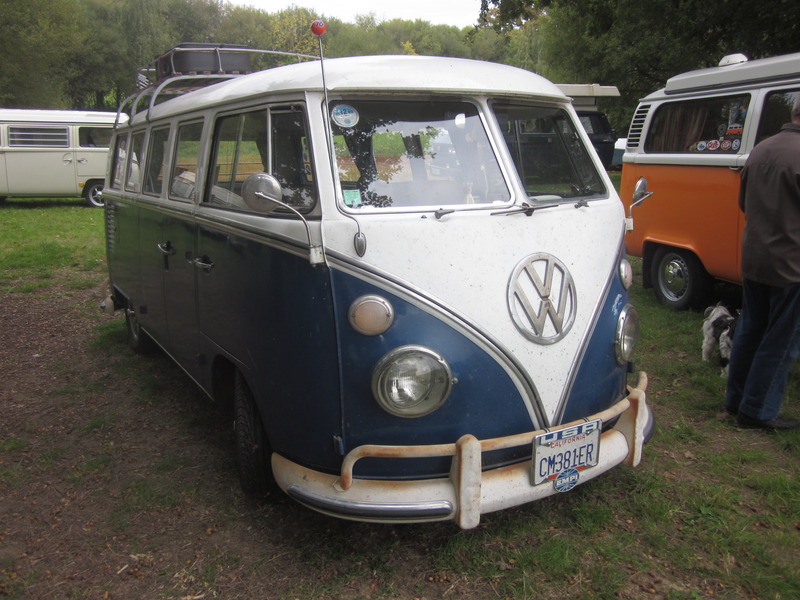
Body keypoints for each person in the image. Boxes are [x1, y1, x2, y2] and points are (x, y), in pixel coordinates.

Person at [724, 96, 800, 430]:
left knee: (751, 329)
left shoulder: (761, 149)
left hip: (755, 257)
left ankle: (735, 400)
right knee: (780, 339)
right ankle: (756, 411)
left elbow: (744, 203)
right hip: (791, 263)